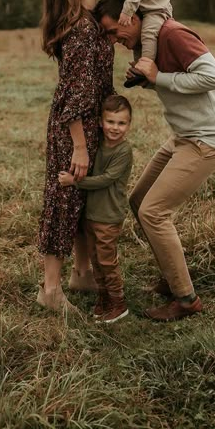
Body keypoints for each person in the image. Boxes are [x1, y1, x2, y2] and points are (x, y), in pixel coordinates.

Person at [94, 0, 215, 322]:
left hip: (207, 140)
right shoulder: (148, 43)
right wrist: (145, 80)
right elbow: (173, 81)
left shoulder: (172, 34)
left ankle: (186, 299)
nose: (116, 41)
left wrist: (159, 77)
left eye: (116, 32)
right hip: (183, 137)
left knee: (154, 212)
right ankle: (174, 276)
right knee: (139, 200)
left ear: (131, 17)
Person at [37, 0, 114, 312]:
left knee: (83, 200)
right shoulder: (81, 30)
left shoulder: (89, 21)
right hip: (74, 129)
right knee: (63, 201)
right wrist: (80, 147)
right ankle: (49, 290)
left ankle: (82, 273)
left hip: (89, 123)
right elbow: (75, 96)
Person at [58, 95, 133, 323]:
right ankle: (104, 297)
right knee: (96, 259)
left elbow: (106, 179)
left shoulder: (123, 151)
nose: (115, 128)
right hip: (92, 215)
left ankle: (118, 302)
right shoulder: (97, 144)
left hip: (109, 216)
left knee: (108, 261)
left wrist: (75, 181)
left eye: (121, 123)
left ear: (129, 125)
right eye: (110, 122)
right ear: (101, 122)